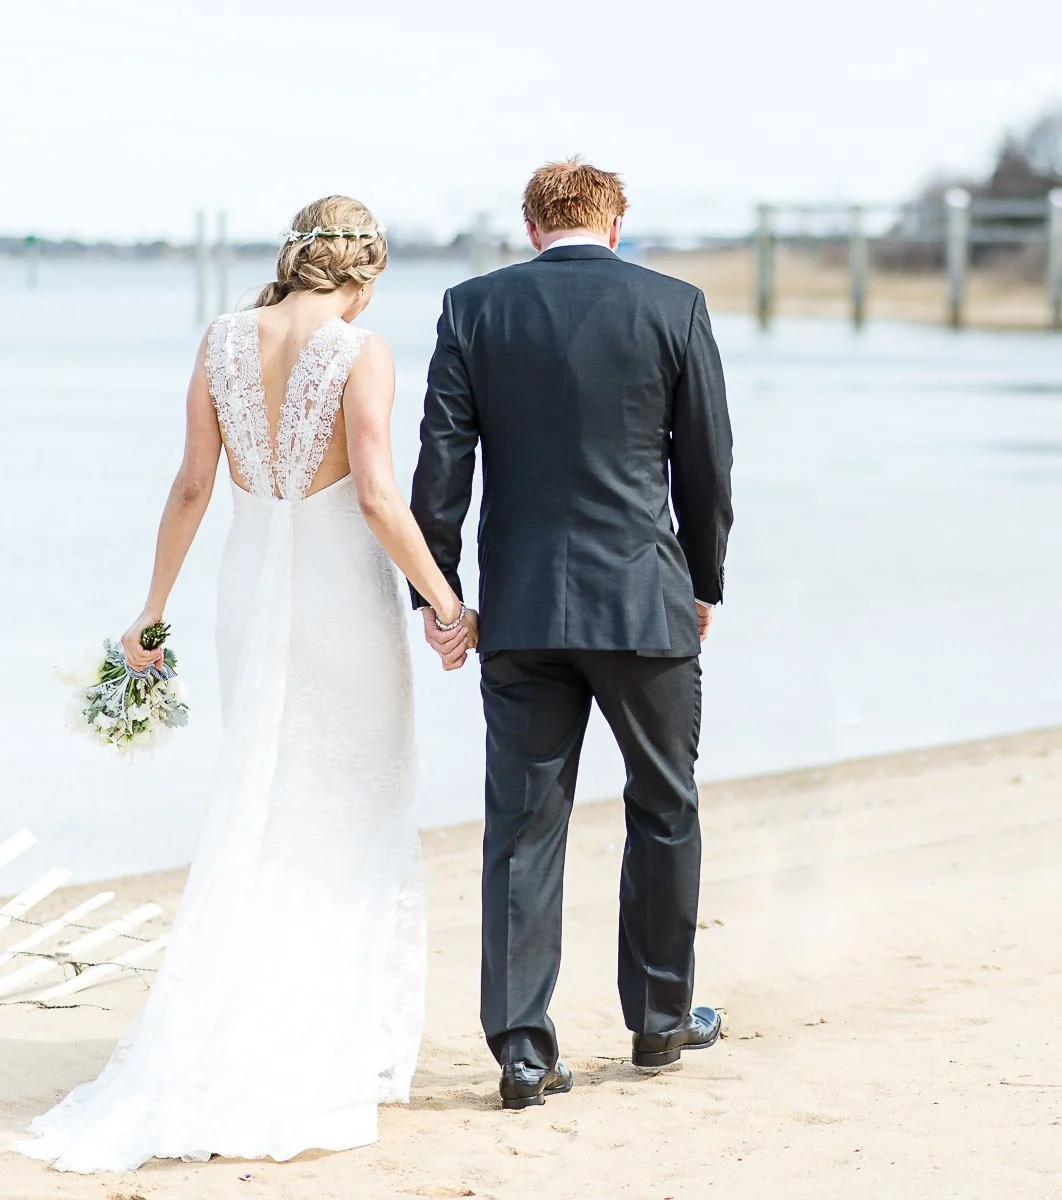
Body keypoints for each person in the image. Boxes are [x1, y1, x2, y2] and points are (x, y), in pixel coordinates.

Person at [15, 196, 467, 1172]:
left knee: (266, 793)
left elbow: (191, 486)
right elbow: (381, 497)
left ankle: (249, 1015)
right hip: (342, 597)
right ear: (365, 271)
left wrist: (151, 610)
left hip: (248, 591)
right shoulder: (363, 348)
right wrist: (444, 602)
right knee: (348, 802)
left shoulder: (221, 339)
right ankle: (325, 1036)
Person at [410, 158, 733, 1109]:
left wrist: (441, 595)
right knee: (664, 806)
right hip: (643, 603)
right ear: (617, 223)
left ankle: (520, 1049)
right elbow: (708, 464)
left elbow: (443, 461)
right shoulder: (674, 305)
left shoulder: (474, 308)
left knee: (521, 826)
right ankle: (660, 1022)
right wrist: (704, 584)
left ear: (531, 227)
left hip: (522, 610)